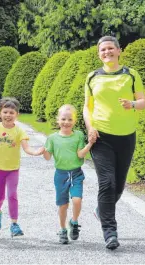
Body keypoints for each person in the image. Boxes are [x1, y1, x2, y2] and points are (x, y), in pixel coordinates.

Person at [82, 36, 145, 250]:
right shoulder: (92, 77)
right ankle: (110, 232)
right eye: (103, 50)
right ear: (98, 53)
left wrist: (132, 104)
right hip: (101, 137)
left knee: (119, 185)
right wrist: (90, 128)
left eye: (111, 48)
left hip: (126, 136)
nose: (107, 52)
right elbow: (87, 107)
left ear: (119, 51)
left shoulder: (131, 74)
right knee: (107, 183)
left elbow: (143, 102)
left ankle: (102, 210)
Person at [0, 97, 44, 238]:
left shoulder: (19, 131)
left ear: (17, 115)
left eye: (12, 112)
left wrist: (36, 152)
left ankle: (14, 224)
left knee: (12, 195)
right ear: (0, 113)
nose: (8, 115)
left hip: (13, 169)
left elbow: (27, 148)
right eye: (5, 112)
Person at [42, 104, 93, 244]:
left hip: (76, 173)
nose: (66, 122)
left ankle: (74, 222)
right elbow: (47, 157)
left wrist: (89, 144)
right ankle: (63, 229)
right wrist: (44, 150)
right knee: (63, 204)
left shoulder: (78, 135)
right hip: (60, 175)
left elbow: (80, 154)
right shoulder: (52, 138)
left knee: (77, 200)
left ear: (74, 121)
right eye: (63, 119)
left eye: (70, 119)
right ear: (58, 120)